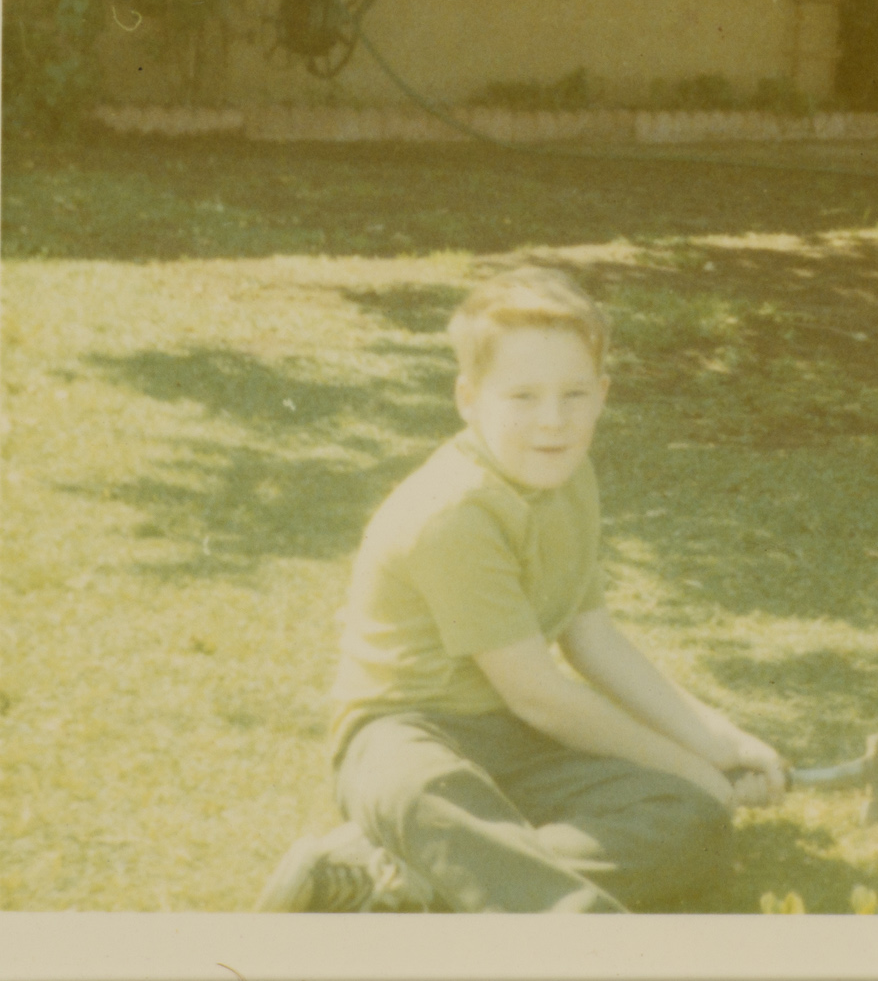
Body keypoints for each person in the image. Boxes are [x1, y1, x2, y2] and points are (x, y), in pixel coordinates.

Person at [256, 266, 783, 912]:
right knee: (430, 793)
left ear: (602, 394)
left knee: (692, 821)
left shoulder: (571, 478)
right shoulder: (455, 513)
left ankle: (404, 880)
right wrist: (686, 765)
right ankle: (561, 915)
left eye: (574, 394)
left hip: (514, 740)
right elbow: (539, 695)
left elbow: (593, 638)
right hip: (404, 734)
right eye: (523, 396)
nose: (552, 421)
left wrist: (717, 743)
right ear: (468, 398)